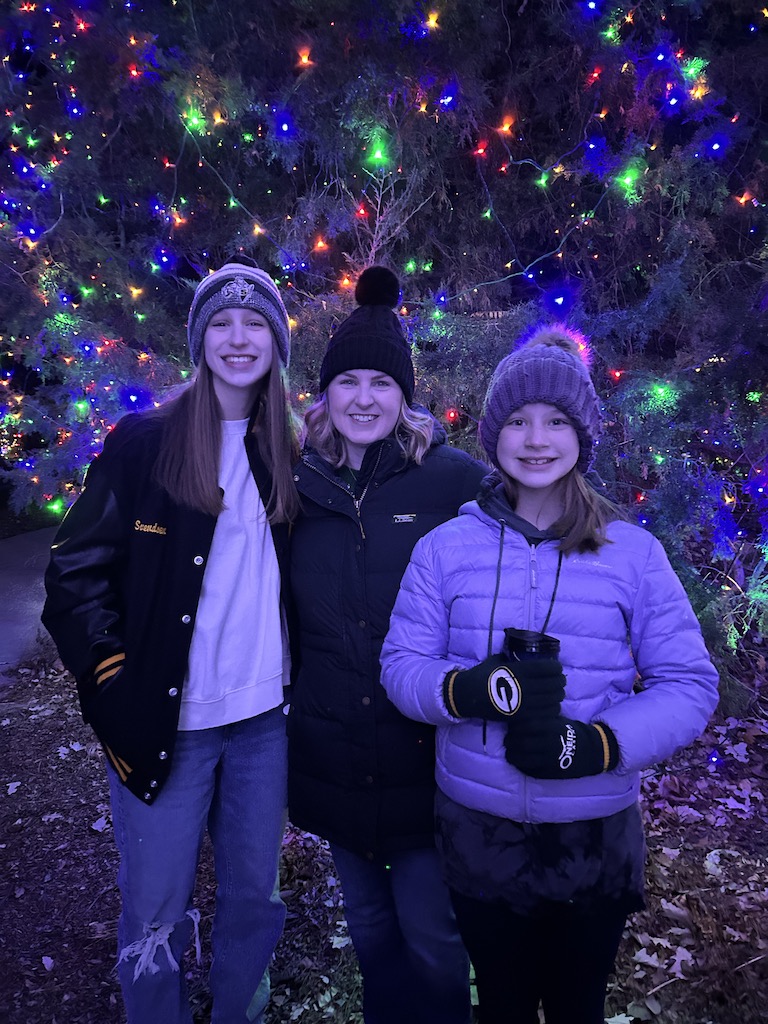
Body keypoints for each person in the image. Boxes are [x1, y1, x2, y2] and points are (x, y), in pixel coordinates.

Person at [380, 324, 720, 1024]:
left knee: (575, 1008)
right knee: (502, 1007)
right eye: (519, 421)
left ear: (582, 437)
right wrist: (463, 689)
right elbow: (401, 666)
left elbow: (688, 684)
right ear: (494, 433)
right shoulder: (445, 549)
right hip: (480, 835)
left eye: (557, 422)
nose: (537, 439)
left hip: (592, 844)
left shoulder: (634, 555)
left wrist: (595, 744)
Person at [41, 263, 300, 1024]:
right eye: (221, 323)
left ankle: (236, 1012)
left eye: (255, 324)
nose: (239, 338)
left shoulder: (288, 448)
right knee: (155, 907)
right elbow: (74, 573)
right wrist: (110, 684)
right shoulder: (143, 443)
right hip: (165, 724)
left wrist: (413, 427)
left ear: (277, 343)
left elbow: (372, 457)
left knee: (256, 897)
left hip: (262, 726)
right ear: (199, 340)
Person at [287, 266, 485, 1024]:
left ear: (404, 395)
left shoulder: (452, 482)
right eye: (348, 382)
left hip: (427, 757)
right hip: (333, 749)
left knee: (434, 938)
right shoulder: (296, 486)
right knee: (370, 929)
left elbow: (537, 536)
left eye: (381, 382)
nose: (363, 398)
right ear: (325, 394)